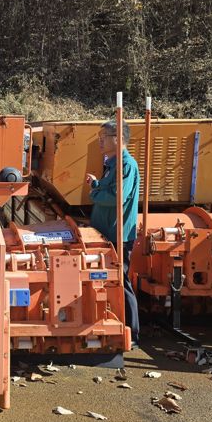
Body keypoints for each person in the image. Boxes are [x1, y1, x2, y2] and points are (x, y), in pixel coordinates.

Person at [85, 119, 141, 348]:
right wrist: (97, 184)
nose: (99, 141)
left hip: (118, 233)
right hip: (106, 230)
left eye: (103, 137)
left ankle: (133, 333)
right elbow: (109, 189)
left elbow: (118, 197)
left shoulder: (126, 165)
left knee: (121, 281)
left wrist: (94, 195)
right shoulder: (113, 164)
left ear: (118, 138)